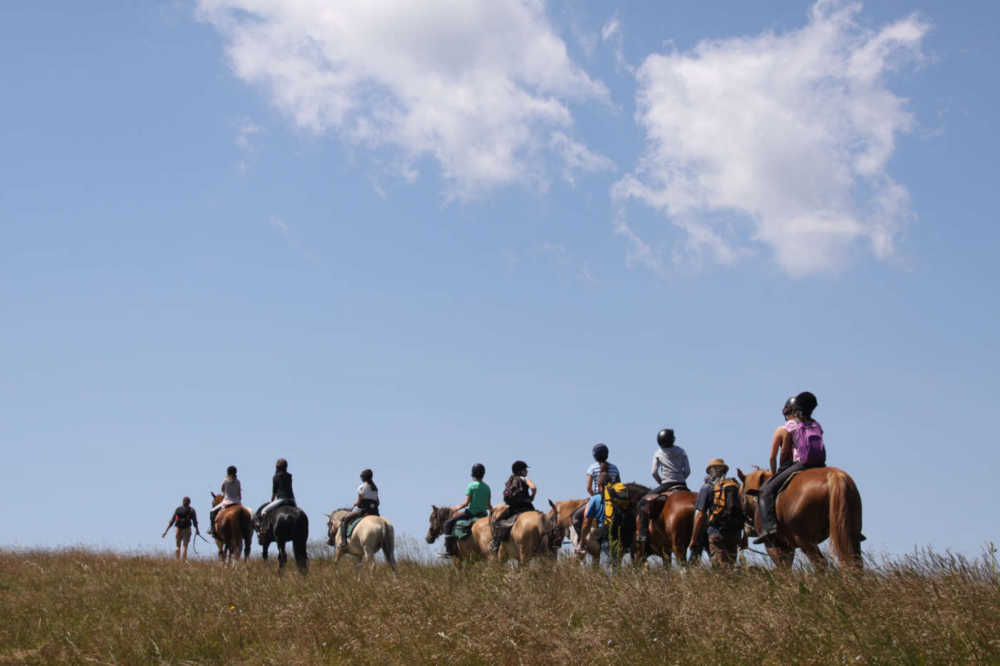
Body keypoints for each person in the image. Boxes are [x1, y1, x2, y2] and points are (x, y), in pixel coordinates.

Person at [755, 391, 826, 543]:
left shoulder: (790, 425)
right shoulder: (816, 424)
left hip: (802, 463)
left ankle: (769, 528)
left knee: (765, 491)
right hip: (820, 463)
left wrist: (774, 473)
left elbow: (778, 455)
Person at [636, 428, 691, 545]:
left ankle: (643, 534)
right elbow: (687, 471)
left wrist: (661, 481)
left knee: (642, 503)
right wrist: (681, 479)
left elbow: (654, 472)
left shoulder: (658, 453)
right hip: (682, 484)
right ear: (672, 440)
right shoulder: (681, 451)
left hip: (666, 484)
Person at [689, 458, 744, 567]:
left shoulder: (707, 487)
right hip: (735, 533)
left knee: (720, 569)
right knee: (730, 565)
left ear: (710, 471)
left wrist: (694, 539)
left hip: (716, 532)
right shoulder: (734, 486)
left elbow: (700, 515)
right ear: (725, 471)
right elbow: (743, 511)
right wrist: (744, 537)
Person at [571, 443, 621, 540]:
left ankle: (582, 541)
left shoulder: (592, 468)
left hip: (597, 497)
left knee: (575, 517)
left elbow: (589, 488)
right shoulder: (614, 468)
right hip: (613, 499)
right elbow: (619, 485)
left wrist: (594, 497)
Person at [442, 463, 492, 557]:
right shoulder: (487, 488)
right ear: (483, 474)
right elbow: (488, 505)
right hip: (483, 515)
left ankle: (449, 551)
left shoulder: (471, 486)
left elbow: (466, 503)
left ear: (473, 473)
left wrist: (455, 508)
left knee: (448, 524)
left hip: (471, 513)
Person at [489, 460, 537, 551]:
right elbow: (533, 488)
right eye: (525, 469)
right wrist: (532, 497)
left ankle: (496, 543)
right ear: (520, 471)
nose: (526, 471)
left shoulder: (511, 480)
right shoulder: (525, 479)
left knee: (498, 522)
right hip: (527, 507)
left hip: (514, 508)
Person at [577, 465, 612, 560]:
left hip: (604, 534)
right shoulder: (617, 497)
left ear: (599, 485)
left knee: (590, 542)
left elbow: (586, 523)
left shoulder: (595, 499)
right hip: (619, 533)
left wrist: (582, 541)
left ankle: (593, 563)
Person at [339, 468, 380, 545]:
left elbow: (359, 502)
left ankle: (344, 542)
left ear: (363, 478)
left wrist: (355, 504)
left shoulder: (362, 487)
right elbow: (378, 502)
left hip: (363, 511)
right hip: (375, 512)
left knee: (344, 520)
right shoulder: (375, 488)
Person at [256, 458, 296, 526]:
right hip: (292, 500)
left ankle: (263, 528)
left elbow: (274, 492)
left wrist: (271, 501)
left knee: (263, 511)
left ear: (277, 467)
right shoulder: (289, 476)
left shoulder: (276, 477)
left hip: (281, 499)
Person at [162, 496, 200, 560]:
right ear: (189, 502)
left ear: (182, 502)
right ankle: (183, 562)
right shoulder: (192, 510)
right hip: (187, 529)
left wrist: (165, 531)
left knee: (177, 546)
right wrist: (197, 530)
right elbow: (195, 522)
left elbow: (172, 521)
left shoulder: (178, 509)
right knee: (185, 546)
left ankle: (177, 561)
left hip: (178, 529)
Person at [208, 465, 242, 536]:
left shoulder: (225, 480)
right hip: (237, 502)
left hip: (227, 502)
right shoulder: (238, 481)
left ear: (228, 472)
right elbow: (239, 494)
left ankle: (212, 530)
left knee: (212, 512)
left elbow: (222, 489)